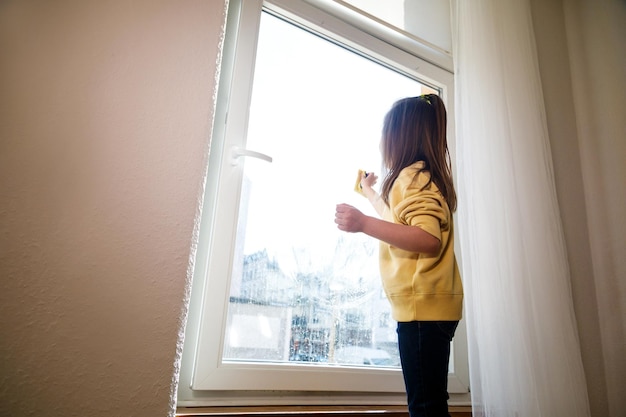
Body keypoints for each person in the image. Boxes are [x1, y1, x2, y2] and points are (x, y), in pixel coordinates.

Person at [334, 94, 463, 417]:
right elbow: (398, 220)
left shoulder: (412, 177)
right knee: (429, 403)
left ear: (398, 137)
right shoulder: (419, 177)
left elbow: (427, 238)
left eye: (384, 133)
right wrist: (368, 192)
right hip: (430, 307)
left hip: (423, 309)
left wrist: (363, 223)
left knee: (425, 407)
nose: (380, 142)